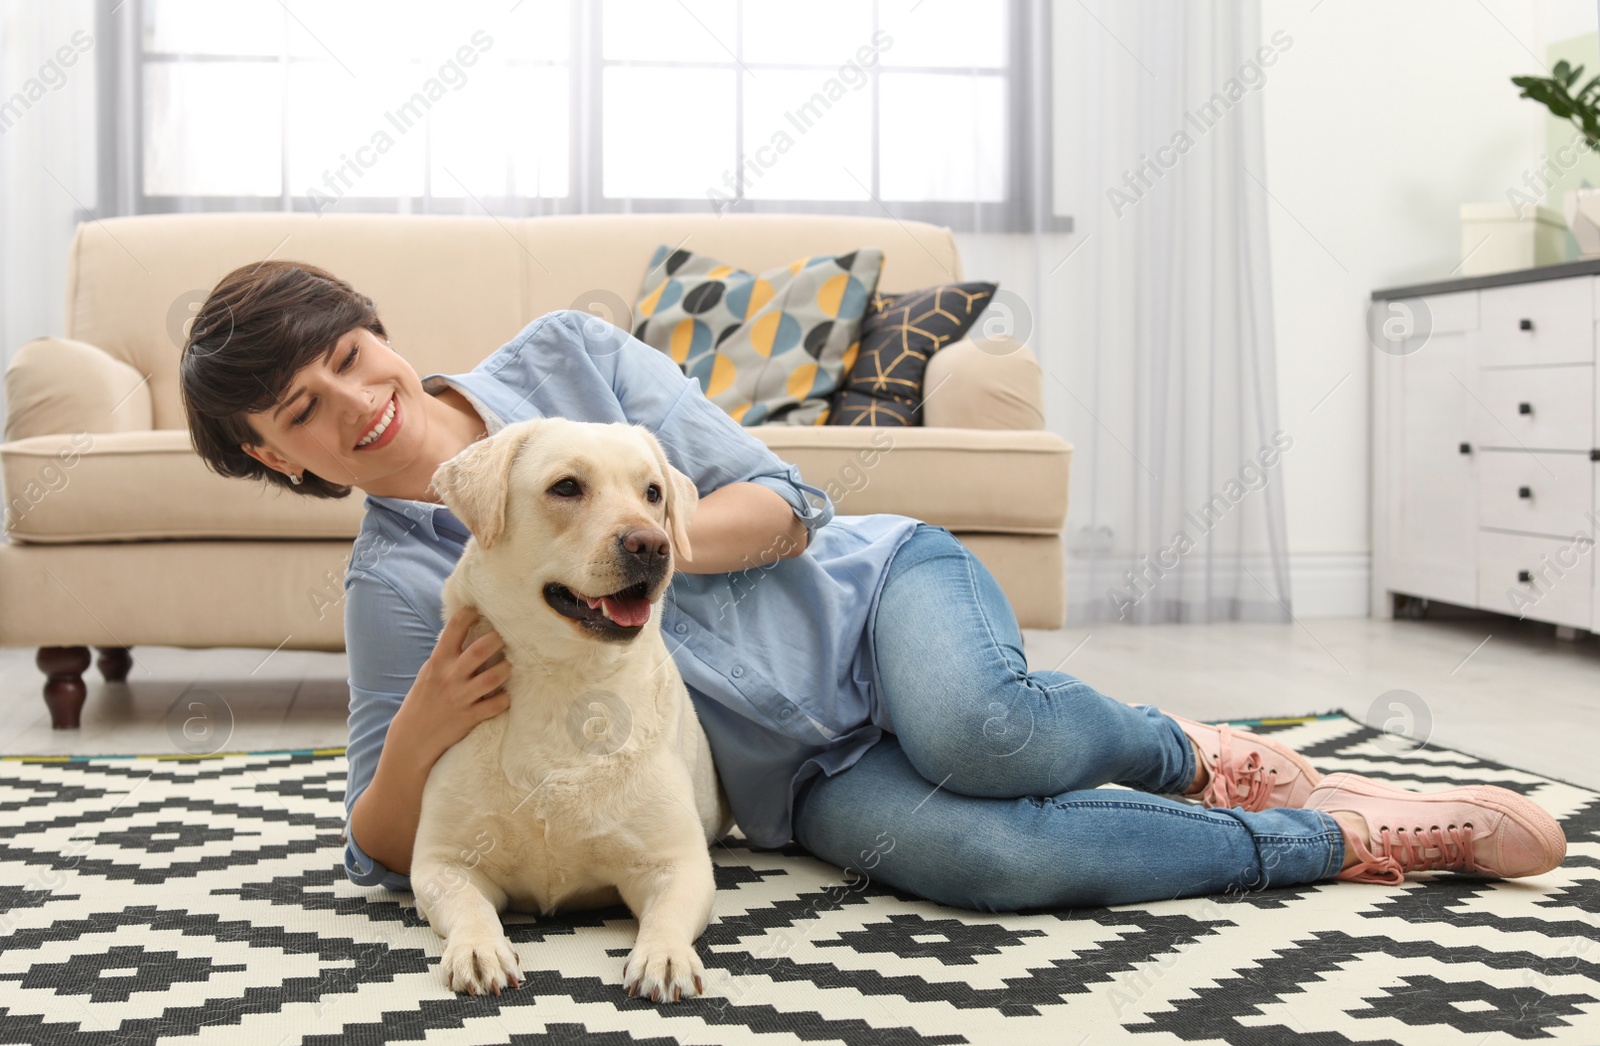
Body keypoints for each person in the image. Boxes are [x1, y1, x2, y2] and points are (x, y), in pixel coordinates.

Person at [180, 261, 1565, 914]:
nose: (354, 405)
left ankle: (1189, 752)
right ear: (275, 462)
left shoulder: (568, 358)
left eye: (350, 358)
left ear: (377, 329)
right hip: (789, 769)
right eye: (302, 415)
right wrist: (426, 711)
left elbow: (788, 502)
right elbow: (375, 844)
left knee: (980, 733)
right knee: (988, 857)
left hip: (871, 595)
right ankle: (1343, 840)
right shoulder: (398, 581)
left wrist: (631, 550)